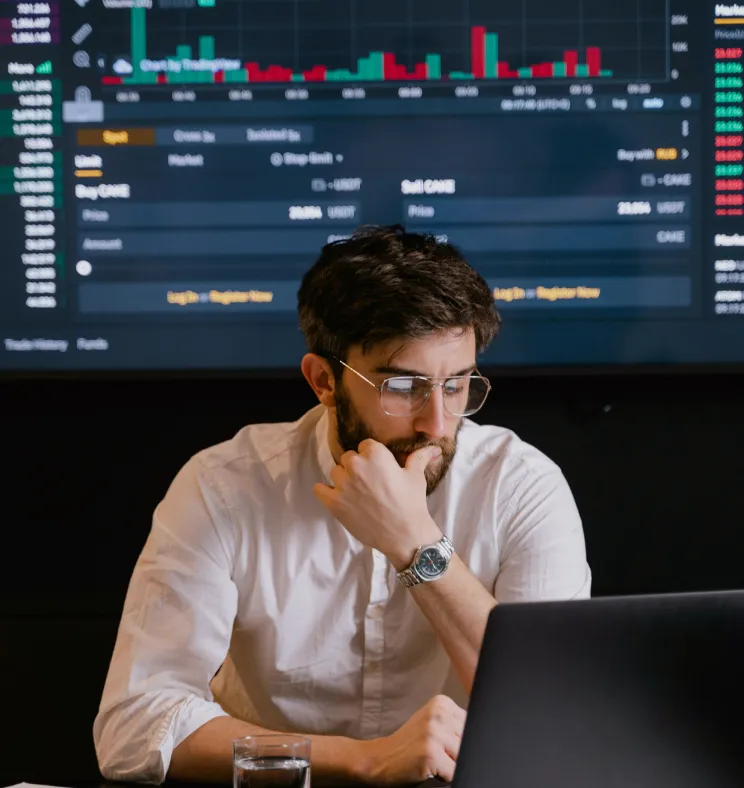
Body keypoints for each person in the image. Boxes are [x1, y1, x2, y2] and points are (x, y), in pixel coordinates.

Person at [93, 226, 591, 786]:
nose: (438, 423)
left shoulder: (523, 486)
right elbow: (135, 726)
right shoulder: (223, 486)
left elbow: (557, 713)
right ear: (324, 381)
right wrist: (365, 761)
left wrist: (416, 547)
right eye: (403, 387)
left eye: (457, 385)